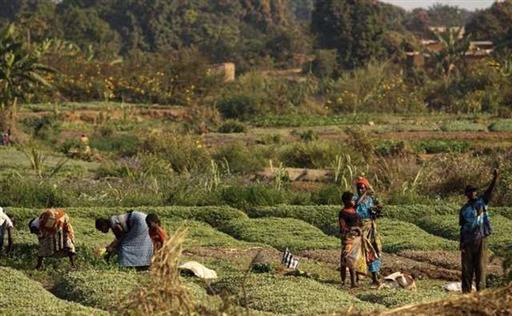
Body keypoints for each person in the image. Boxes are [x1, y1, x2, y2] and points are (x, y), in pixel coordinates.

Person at [459, 169, 498, 293]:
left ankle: (480, 294)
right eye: (469, 192)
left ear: (476, 193)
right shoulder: (464, 209)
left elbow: (489, 191)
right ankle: (466, 293)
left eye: (474, 191)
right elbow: (462, 227)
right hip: (468, 242)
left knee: (480, 268)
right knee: (466, 270)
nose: (472, 193)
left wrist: (495, 178)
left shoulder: (482, 202)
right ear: (467, 194)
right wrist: (461, 243)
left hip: (481, 239)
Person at [353, 176, 382, 285]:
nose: (360, 190)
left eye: (363, 188)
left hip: (370, 229)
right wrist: (365, 194)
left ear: (366, 188)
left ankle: (374, 277)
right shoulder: (355, 199)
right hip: (359, 229)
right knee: (358, 252)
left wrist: (376, 212)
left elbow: (374, 213)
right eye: (359, 188)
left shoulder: (371, 200)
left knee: (373, 251)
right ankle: (357, 278)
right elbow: (355, 207)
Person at [339, 191, 362, 288]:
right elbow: (343, 227)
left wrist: (365, 192)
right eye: (352, 199)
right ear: (346, 201)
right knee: (347, 259)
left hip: (356, 238)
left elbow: (359, 201)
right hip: (348, 238)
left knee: (356, 259)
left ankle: (355, 280)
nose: (354, 201)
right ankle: (346, 281)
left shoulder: (354, 209)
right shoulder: (343, 213)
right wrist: (354, 229)